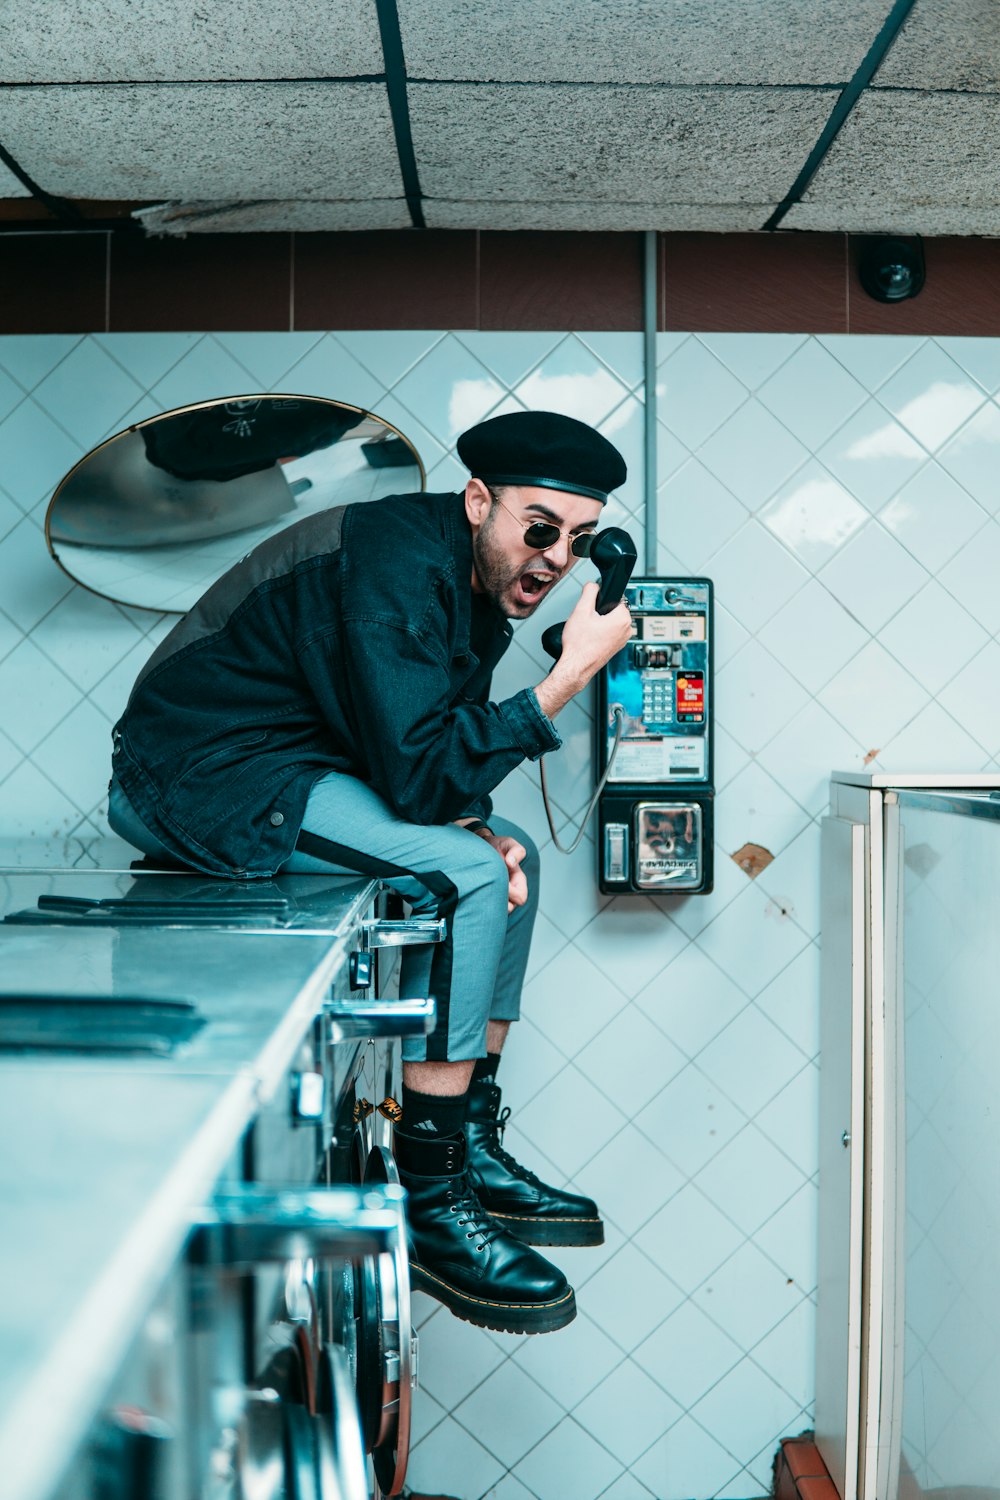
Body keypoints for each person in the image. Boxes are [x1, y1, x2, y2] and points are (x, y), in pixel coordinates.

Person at [107, 409, 633, 1336]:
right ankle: (430, 1200)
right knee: (469, 877)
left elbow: (429, 757)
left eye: (579, 541)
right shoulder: (394, 565)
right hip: (199, 775)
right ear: (480, 502)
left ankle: (468, 1137)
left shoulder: (470, 576)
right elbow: (422, 766)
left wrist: (474, 818)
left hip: (310, 757)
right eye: (539, 527)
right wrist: (568, 678)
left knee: (519, 855)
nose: (556, 558)